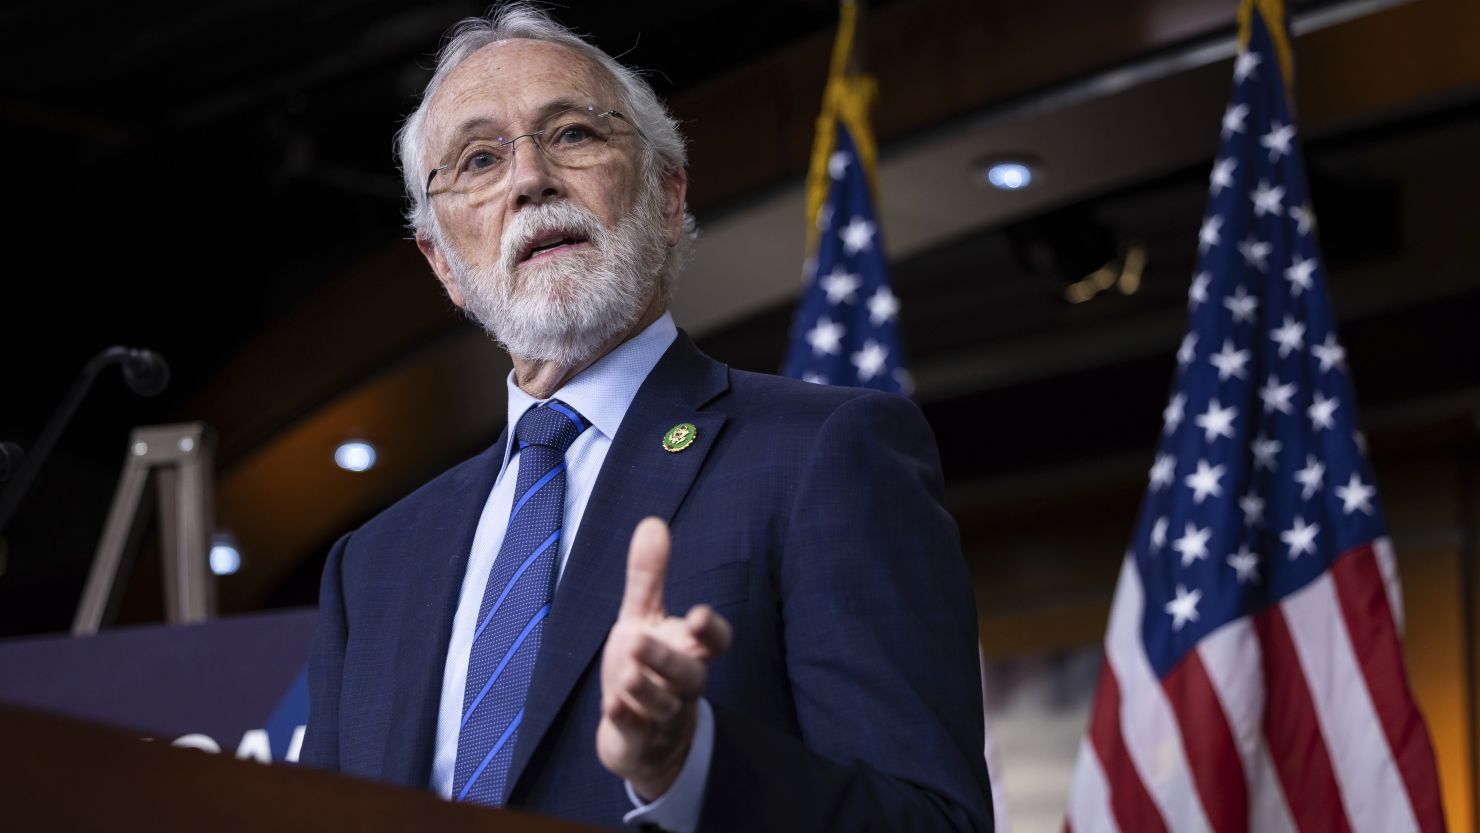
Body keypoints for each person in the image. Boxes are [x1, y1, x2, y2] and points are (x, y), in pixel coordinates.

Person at [300, 5, 994, 831]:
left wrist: (689, 764)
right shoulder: (370, 566)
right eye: (480, 158)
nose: (531, 180)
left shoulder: (827, 453)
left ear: (667, 196)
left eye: (573, 135)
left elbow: (931, 820)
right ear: (442, 262)